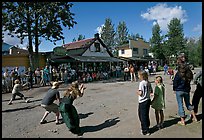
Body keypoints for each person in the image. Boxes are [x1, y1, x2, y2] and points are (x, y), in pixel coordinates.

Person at [137, 70, 153, 135]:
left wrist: (138, 92)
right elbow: (151, 91)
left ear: (141, 76)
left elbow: (141, 93)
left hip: (142, 101)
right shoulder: (148, 82)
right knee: (146, 115)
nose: (138, 76)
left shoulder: (142, 83)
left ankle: (145, 130)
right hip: (148, 100)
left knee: (142, 116)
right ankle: (147, 127)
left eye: (138, 75)